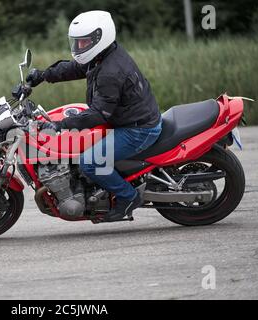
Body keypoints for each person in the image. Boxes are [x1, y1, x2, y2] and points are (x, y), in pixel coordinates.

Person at [26, 10, 162, 222]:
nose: (79, 47)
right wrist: (42, 76)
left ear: (101, 37)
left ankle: (128, 197)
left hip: (138, 129)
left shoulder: (110, 71)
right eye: (77, 43)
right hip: (127, 118)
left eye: (84, 42)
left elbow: (99, 114)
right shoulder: (103, 56)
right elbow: (74, 68)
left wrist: (60, 125)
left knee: (89, 162)